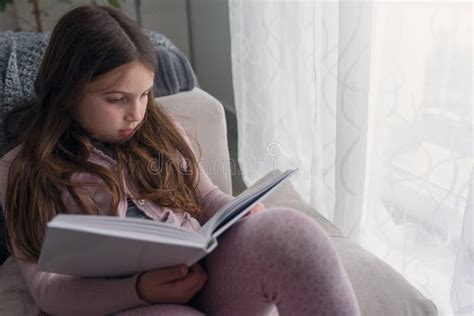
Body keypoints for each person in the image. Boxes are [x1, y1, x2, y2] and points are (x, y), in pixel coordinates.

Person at [0, 4, 360, 316]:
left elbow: (206, 198)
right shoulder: (21, 168)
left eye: (144, 94)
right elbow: (48, 287)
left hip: (202, 275)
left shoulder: (159, 127)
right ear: (67, 89)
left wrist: (239, 210)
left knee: (291, 234)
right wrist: (139, 289)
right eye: (116, 99)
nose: (136, 113)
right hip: (120, 303)